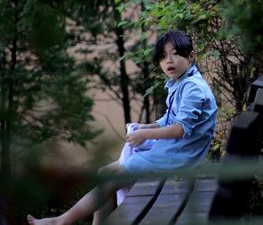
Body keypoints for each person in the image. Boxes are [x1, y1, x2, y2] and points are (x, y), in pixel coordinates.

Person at [27, 30, 218, 225]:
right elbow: (171, 119)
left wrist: (145, 134)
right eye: (162, 56)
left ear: (191, 56)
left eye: (175, 53)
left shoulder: (193, 88)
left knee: (111, 179)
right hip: (172, 153)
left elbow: (180, 129)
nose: (168, 60)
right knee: (105, 173)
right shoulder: (182, 83)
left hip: (177, 159)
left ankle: (61, 221)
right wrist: (146, 126)